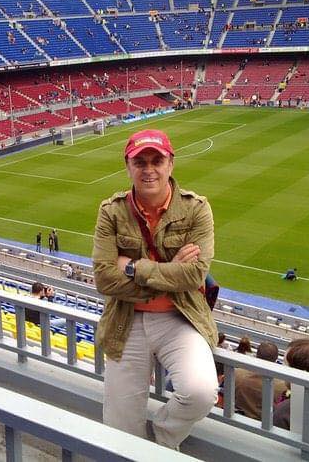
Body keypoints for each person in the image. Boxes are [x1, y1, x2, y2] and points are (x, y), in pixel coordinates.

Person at [93, 129, 218, 450]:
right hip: (125, 321)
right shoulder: (111, 211)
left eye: (157, 161)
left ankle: (161, 440)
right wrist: (170, 269)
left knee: (201, 392)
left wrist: (134, 267)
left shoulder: (196, 209)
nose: (149, 169)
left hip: (179, 318)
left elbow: (194, 275)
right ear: (128, 167)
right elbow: (104, 279)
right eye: (140, 162)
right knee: (119, 426)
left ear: (170, 164)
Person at [234, 342, 288, 419]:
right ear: (276, 359)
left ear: (257, 355)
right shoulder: (283, 386)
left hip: (236, 418)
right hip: (264, 423)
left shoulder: (237, 373)